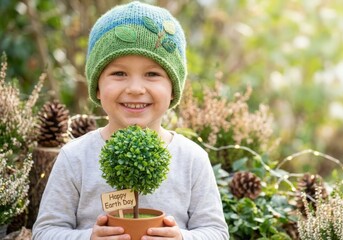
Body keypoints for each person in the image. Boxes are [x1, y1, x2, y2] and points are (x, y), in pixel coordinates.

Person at [31, 1, 229, 240]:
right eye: (119, 73)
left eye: (152, 74)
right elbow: (44, 232)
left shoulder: (192, 159)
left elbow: (216, 232)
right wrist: (87, 238)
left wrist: (183, 238)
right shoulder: (75, 158)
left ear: (174, 89)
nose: (135, 89)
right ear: (98, 87)